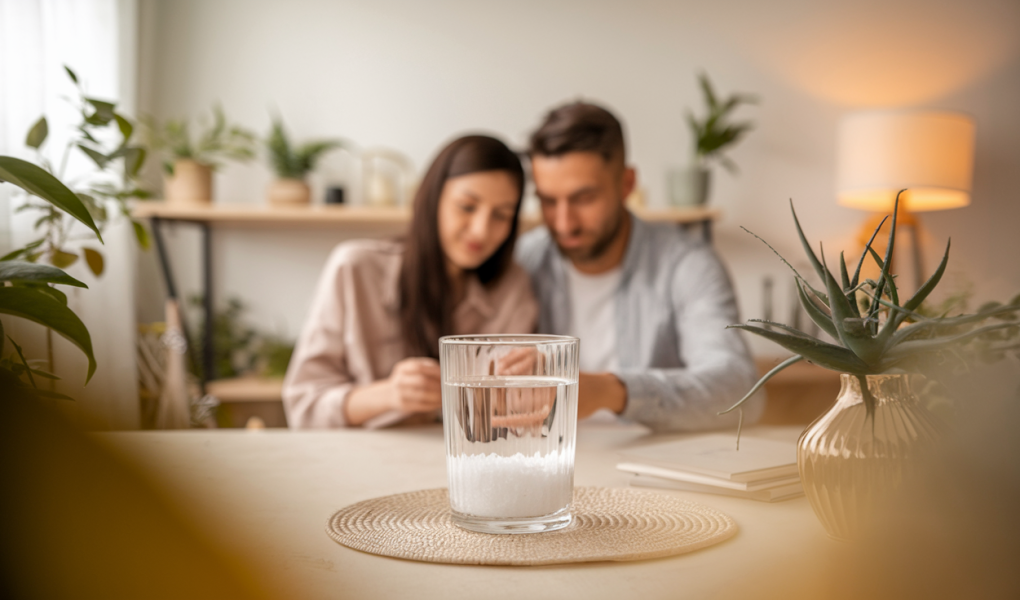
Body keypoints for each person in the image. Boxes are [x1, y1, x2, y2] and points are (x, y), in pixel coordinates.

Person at [515, 101, 763, 432]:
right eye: (548, 200)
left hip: (652, 470)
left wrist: (611, 391)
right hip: (545, 462)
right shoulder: (525, 260)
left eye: (583, 198)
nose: (563, 223)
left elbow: (740, 392)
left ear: (627, 184)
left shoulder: (687, 264)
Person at [283, 135, 538, 428]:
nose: (481, 230)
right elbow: (303, 408)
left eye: (501, 215)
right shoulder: (355, 269)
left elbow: (516, 413)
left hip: (471, 461)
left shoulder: (512, 287)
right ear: (432, 199)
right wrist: (389, 395)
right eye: (467, 207)